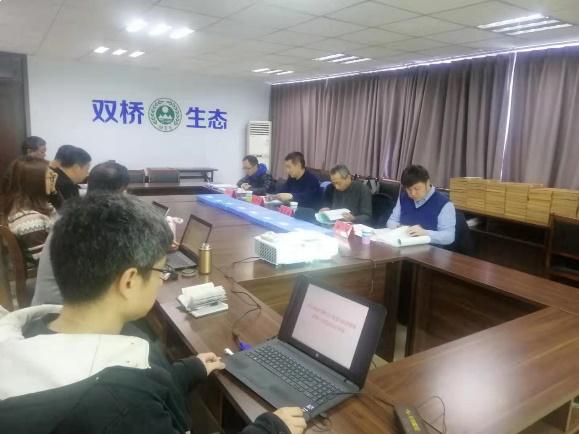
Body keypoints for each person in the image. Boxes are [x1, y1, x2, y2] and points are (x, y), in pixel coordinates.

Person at [0, 194, 306, 434]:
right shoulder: (122, 406)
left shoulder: (36, 329)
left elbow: (133, 377)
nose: (162, 280)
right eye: (161, 270)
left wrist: (185, 372)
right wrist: (271, 428)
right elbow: (126, 397)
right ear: (129, 282)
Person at [32, 161, 130, 306]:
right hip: (61, 308)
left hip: (49, 300)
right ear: (123, 190)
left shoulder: (77, 209)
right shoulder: (98, 219)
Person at [1, 157, 58, 264]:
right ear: (35, 183)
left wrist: (54, 192)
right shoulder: (31, 221)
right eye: (50, 177)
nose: (54, 180)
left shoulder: (34, 206)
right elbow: (45, 262)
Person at [387, 165, 456, 245]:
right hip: (403, 244)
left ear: (427, 183)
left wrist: (425, 233)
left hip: (430, 250)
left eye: (417, 189)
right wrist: (401, 228)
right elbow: (391, 221)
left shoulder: (445, 204)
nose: (413, 193)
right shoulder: (403, 197)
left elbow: (449, 237)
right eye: (409, 189)